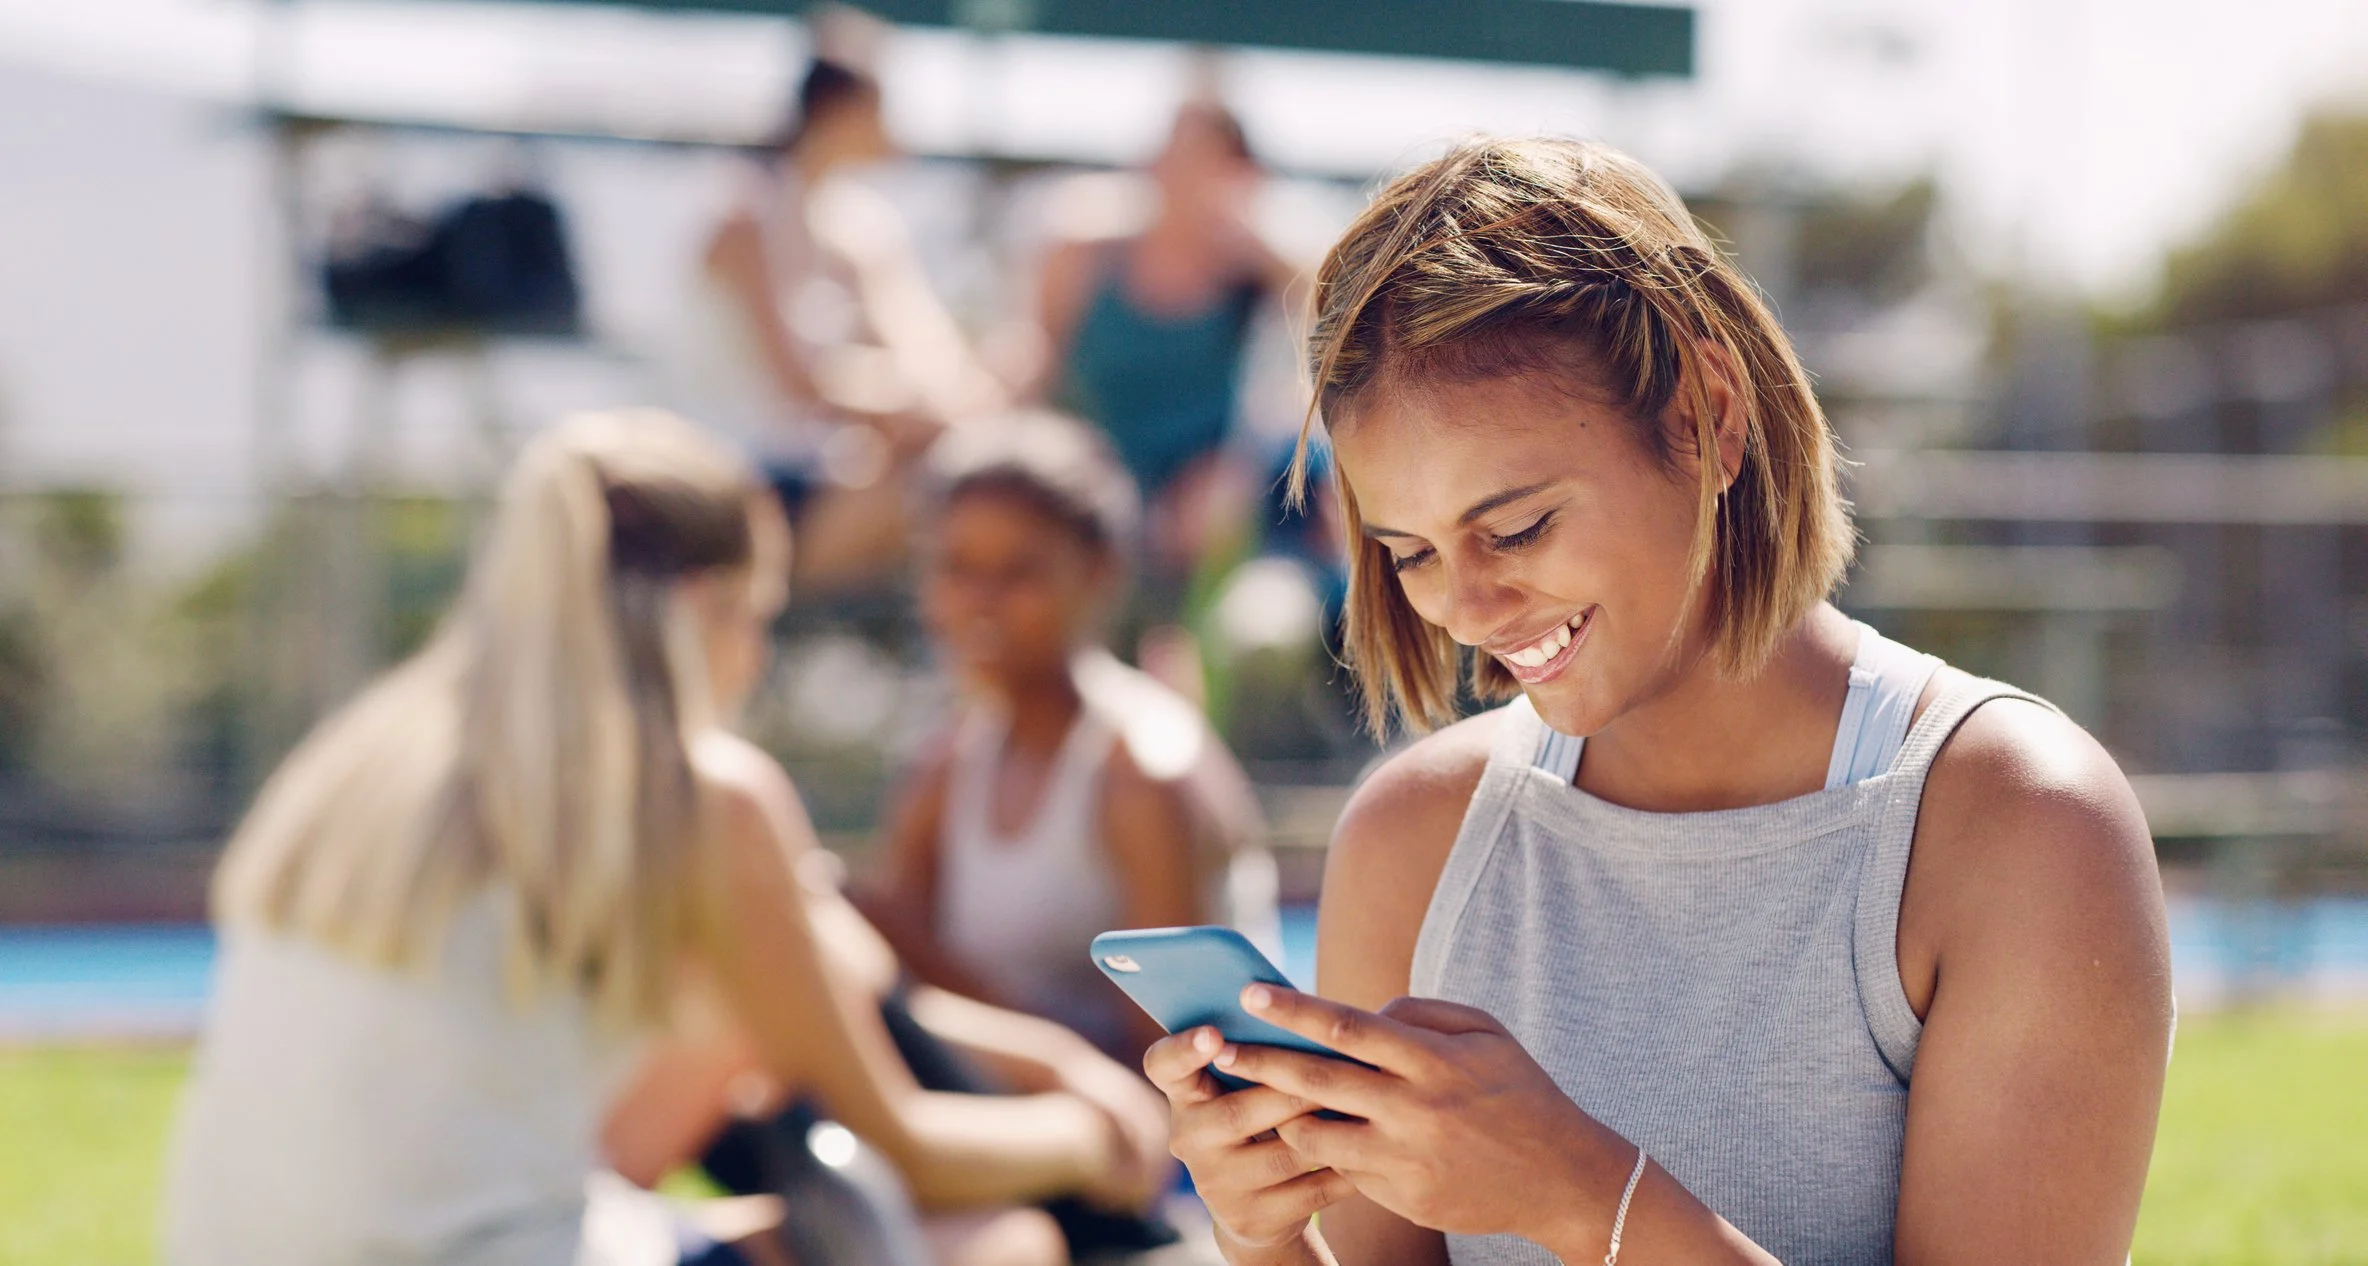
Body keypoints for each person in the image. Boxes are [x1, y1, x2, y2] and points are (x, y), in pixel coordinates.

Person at [1145, 139, 2175, 1266]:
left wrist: (1586, 1196)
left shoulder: (2016, 822)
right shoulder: (1410, 840)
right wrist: (1261, 1236)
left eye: (1521, 526)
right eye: (1410, 553)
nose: (1471, 606)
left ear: (1707, 416)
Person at [165, 410, 1167, 1266]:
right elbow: (906, 1144)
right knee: (1000, 1246)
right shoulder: (699, 797)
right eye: (757, 620)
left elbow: (822, 986)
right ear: (704, 609)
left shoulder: (370, 755)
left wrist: (1037, 1061)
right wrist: (1092, 1133)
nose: (755, 660)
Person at [852, 411, 1277, 1063]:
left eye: (1019, 572)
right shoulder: (946, 764)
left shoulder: (1145, 772)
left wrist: (942, 987)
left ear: (1099, 571)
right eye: (956, 569)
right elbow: (891, 973)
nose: (981, 601)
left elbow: (1179, 1063)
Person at [685, 53, 1005, 592]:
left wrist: (947, 405)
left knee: (960, 482)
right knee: (940, 489)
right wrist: (910, 405)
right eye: (881, 109)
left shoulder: (854, 225)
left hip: (815, 478)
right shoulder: (743, 217)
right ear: (842, 111)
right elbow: (794, 385)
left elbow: (927, 353)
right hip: (728, 485)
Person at [1031, 100, 1301, 687]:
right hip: (1092, 469)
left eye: (1202, 157)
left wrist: (1249, 232)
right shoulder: (1084, 250)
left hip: (1202, 493)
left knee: (1213, 524)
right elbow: (1037, 364)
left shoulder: (1249, 268)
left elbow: (1331, 309)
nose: (1179, 170)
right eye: (1172, 150)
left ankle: (1188, 705)